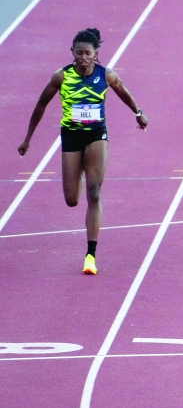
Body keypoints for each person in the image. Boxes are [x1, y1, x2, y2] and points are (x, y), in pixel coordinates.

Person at [18, 28, 147, 274]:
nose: (83, 57)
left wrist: (138, 113)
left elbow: (123, 93)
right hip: (71, 135)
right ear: (72, 53)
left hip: (97, 134)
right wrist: (28, 139)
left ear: (95, 54)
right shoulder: (61, 77)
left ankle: (91, 254)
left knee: (95, 193)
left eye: (88, 53)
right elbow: (41, 104)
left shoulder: (106, 75)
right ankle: (77, 172)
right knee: (71, 199)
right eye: (79, 53)